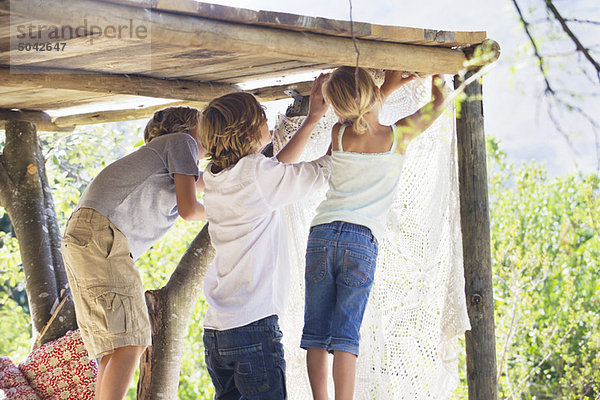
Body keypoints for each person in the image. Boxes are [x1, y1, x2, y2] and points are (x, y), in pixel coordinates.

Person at [301, 67, 447, 400]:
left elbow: (360, 111)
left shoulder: (338, 134)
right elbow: (438, 103)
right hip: (360, 242)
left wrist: (386, 87)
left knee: (316, 333)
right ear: (371, 95)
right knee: (345, 337)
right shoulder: (398, 136)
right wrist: (437, 72)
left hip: (321, 234)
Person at [199, 75, 331, 399]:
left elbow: (274, 169)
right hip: (252, 329)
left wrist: (312, 119)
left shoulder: (214, 178)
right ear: (247, 132)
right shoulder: (259, 177)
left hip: (217, 332)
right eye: (263, 120)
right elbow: (320, 171)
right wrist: (341, 131)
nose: (269, 126)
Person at [61, 106, 206, 400]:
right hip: (103, 235)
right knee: (132, 342)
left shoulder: (164, 157)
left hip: (86, 237)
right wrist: (234, 211)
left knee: (114, 347)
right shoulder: (182, 142)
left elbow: (206, 184)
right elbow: (190, 209)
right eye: (207, 127)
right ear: (188, 128)